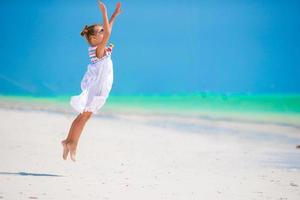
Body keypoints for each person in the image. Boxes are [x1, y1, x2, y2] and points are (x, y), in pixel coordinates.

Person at [61, 0, 122, 161]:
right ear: (94, 37)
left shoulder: (97, 48)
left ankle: (68, 141)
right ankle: (72, 143)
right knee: (84, 116)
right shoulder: (98, 50)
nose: (104, 32)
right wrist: (105, 12)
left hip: (98, 85)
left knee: (84, 116)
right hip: (97, 87)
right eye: (100, 31)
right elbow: (108, 33)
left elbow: (108, 30)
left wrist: (114, 15)